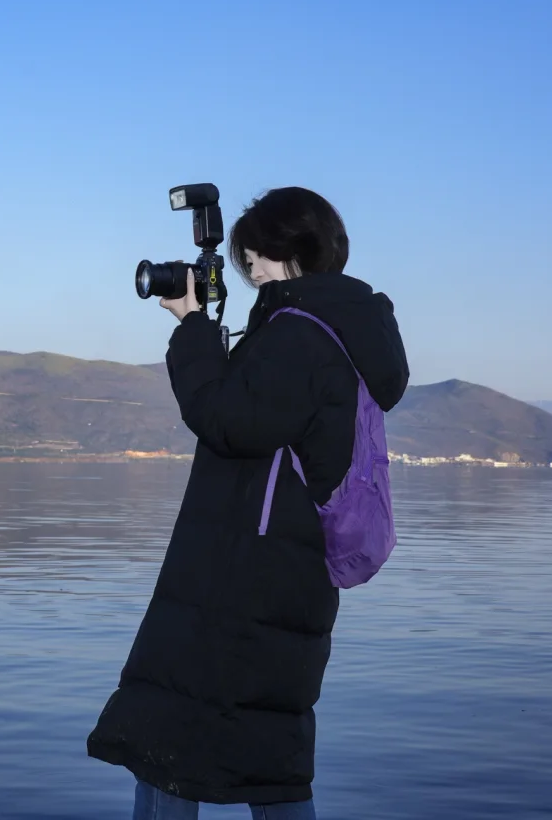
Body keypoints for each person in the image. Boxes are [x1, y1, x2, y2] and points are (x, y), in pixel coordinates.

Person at [87, 186, 410, 818]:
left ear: (293, 250)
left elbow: (227, 420)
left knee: (168, 741)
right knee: (265, 753)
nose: (250, 267)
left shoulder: (299, 335)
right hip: (281, 576)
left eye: (257, 254)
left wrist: (192, 327)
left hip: (238, 582)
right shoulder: (338, 331)